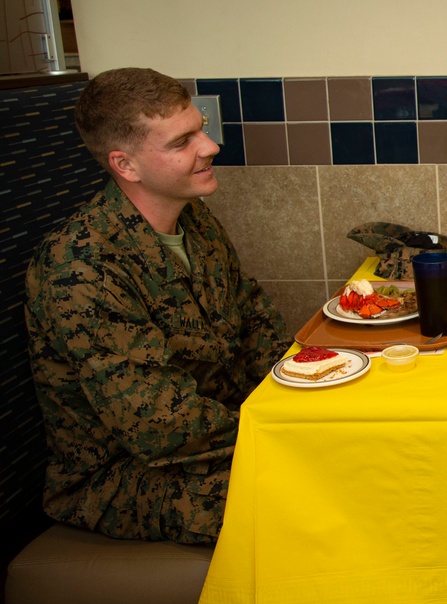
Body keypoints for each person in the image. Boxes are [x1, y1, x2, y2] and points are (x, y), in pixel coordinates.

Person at [24, 68, 291, 545]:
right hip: (124, 476)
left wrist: (308, 397)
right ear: (125, 166)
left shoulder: (194, 219)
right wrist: (285, 435)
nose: (209, 147)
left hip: (229, 430)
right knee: (310, 493)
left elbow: (253, 318)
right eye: (182, 141)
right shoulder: (82, 267)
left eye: (201, 128)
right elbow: (161, 427)